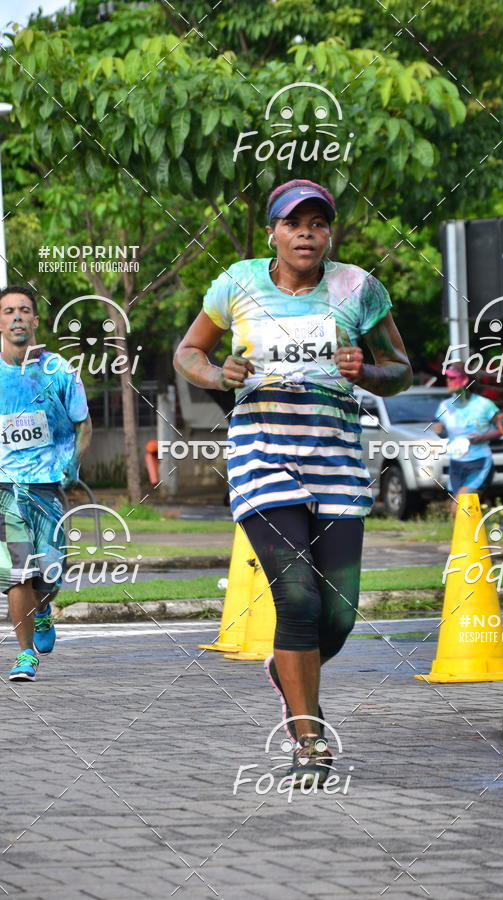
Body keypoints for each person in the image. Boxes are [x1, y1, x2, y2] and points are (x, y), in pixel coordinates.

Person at [174, 178, 412, 785]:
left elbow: (403, 370)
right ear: (274, 233)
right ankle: (308, 737)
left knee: (339, 614)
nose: (307, 232)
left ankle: (288, 670)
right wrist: (219, 372)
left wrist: (371, 370)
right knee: (298, 600)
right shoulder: (239, 283)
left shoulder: (358, 288)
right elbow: (188, 354)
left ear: (329, 234)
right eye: (293, 222)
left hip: (336, 460)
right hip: (263, 454)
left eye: (319, 223)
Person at [0, 285, 91, 681]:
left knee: (50, 573)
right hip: (5, 488)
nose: (17, 316)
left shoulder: (58, 370)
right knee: (16, 573)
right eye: (8, 311)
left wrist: (72, 464)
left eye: (24, 310)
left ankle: (43, 611)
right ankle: (25, 656)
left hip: (48, 487)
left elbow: (84, 425)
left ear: (36, 320)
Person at [432, 361, 503, 512]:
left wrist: (482, 437)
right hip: (456, 464)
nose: (448, 381)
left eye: (452, 378)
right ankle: (475, 534)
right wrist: (440, 435)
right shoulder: (445, 406)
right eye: (447, 378)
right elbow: (437, 428)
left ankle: (471, 534)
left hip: (479, 463)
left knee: (459, 506)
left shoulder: (485, 405)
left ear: (465, 381)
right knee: (464, 510)